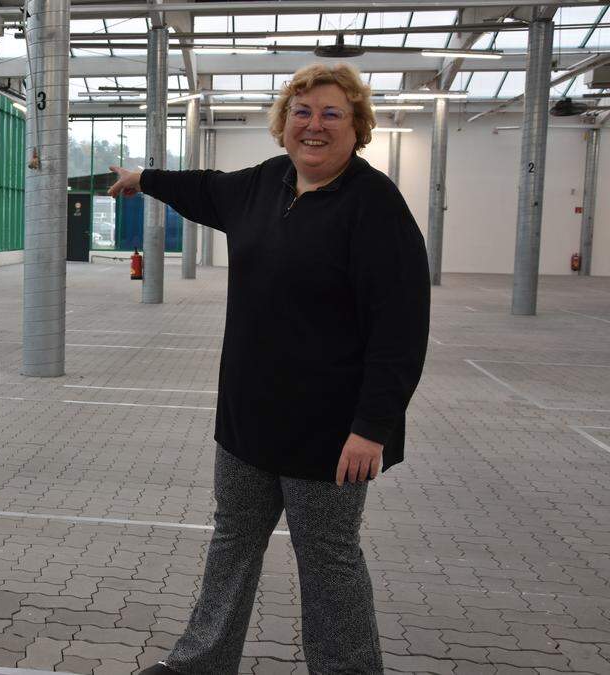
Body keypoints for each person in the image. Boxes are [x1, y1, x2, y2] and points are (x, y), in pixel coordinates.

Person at [109, 62, 429, 674]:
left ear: (357, 127)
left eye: (332, 113)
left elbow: (401, 331)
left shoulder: (375, 206)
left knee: (328, 562)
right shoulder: (266, 183)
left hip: (331, 433)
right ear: (284, 126)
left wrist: (373, 427)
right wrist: (142, 177)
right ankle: (199, 665)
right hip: (248, 419)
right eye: (302, 114)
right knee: (232, 545)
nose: (315, 126)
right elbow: (203, 188)